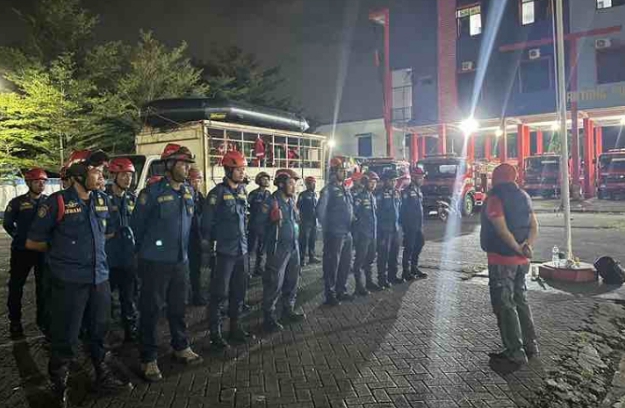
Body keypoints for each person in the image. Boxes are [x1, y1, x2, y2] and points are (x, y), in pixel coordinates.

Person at [26, 150, 130, 407]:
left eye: (101, 171)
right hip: (69, 282)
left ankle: (102, 377)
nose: (101, 176)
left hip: (99, 279)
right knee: (66, 335)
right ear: (78, 174)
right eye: (96, 171)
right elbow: (33, 241)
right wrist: (63, 251)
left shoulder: (102, 200)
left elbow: (106, 234)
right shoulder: (56, 203)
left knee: (99, 331)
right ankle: (58, 386)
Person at [131, 143, 203, 382]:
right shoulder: (150, 193)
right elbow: (136, 228)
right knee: (151, 311)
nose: (187, 168)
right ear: (170, 165)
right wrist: (144, 255)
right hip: (154, 262)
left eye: (188, 163)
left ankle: (180, 346)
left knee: (178, 307)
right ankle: (148, 358)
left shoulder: (188, 192)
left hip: (179, 262)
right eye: (183, 163)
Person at [480, 163, 539, 366]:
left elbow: (501, 230)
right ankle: (530, 344)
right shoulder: (524, 196)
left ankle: (515, 351)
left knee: (505, 305)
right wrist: (527, 246)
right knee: (520, 300)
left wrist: (516, 247)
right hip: (522, 260)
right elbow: (534, 225)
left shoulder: (495, 198)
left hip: (502, 259)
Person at [202, 150, 251, 349]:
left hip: (242, 251)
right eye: (238, 169)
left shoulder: (242, 191)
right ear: (228, 170)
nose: (241, 173)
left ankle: (235, 327)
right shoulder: (217, 194)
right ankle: (215, 333)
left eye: (242, 169)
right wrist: (210, 248)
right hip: (224, 252)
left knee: (239, 291)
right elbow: (206, 224)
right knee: (219, 294)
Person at [3, 168, 49, 339]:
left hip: (41, 252)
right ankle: (15, 321)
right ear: (28, 183)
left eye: (43, 181)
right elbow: (8, 224)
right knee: (16, 286)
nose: (41, 184)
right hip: (21, 252)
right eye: (37, 181)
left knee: (43, 287)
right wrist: (19, 237)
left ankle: (43, 321)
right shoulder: (17, 202)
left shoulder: (48, 202)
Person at [261, 169, 305, 332]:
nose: (294, 187)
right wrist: (271, 221)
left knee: (291, 281)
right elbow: (257, 226)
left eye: (295, 183)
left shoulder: (291, 201)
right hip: (278, 249)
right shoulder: (271, 201)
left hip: (293, 247)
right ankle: (269, 317)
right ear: (280, 184)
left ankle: (288, 309)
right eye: (290, 183)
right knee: (274, 283)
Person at [105, 157, 139, 342]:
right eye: (124, 174)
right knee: (104, 300)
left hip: (128, 257)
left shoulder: (133, 198)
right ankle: (102, 332)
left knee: (128, 297)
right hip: (108, 258)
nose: (128, 179)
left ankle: (130, 329)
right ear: (114, 175)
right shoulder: (101, 198)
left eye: (130, 175)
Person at [316, 157, 354, 306]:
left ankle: (341, 291)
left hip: (347, 232)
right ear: (334, 172)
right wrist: (329, 229)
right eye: (341, 170)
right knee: (332, 265)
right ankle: (330, 294)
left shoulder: (344, 188)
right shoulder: (328, 190)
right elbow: (320, 212)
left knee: (345, 263)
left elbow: (349, 208)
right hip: (335, 233)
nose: (344, 173)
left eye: (345, 170)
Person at [352, 171, 382, 295]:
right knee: (359, 262)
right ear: (365, 182)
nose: (373, 184)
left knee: (370, 260)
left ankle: (369, 282)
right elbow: (353, 216)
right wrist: (357, 233)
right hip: (363, 234)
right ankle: (359, 286)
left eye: (375, 182)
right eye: (371, 182)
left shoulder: (372, 197)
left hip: (372, 234)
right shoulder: (359, 197)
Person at [400, 166, 428, 280]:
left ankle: (414, 267)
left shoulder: (418, 190)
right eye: (420, 177)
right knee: (409, 248)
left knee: (419, 244)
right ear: (414, 177)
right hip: (410, 225)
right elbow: (403, 210)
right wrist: (404, 226)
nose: (422, 180)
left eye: (422, 177)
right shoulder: (407, 191)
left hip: (418, 225)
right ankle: (405, 271)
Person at [376, 169, 402, 288]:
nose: (394, 183)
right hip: (384, 229)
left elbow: (398, 209)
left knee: (394, 254)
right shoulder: (379, 194)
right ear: (386, 181)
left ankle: (392, 276)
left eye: (395, 180)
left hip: (395, 228)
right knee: (383, 255)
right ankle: (382, 279)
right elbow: (376, 213)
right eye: (392, 180)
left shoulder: (396, 192)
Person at [188, 167, 207, 306]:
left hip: (196, 237)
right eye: (194, 180)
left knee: (196, 269)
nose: (197, 183)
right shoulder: (183, 196)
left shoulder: (200, 197)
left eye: (199, 179)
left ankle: (196, 295)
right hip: (184, 238)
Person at [248, 172, 271, 277]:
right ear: (259, 181)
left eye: (267, 179)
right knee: (251, 249)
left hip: (265, 226)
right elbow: (247, 207)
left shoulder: (269, 194)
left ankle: (258, 268)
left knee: (262, 249)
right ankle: (247, 271)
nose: (266, 181)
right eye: (264, 179)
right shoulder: (253, 194)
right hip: (254, 226)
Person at [297, 176, 319, 267]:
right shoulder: (302, 195)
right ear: (307, 184)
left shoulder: (315, 195)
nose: (314, 185)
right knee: (303, 241)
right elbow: (298, 206)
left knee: (312, 240)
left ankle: (311, 256)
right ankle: (301, 259)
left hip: (313, 220)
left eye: (314, 183)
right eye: (312, 183)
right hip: (305, 221)